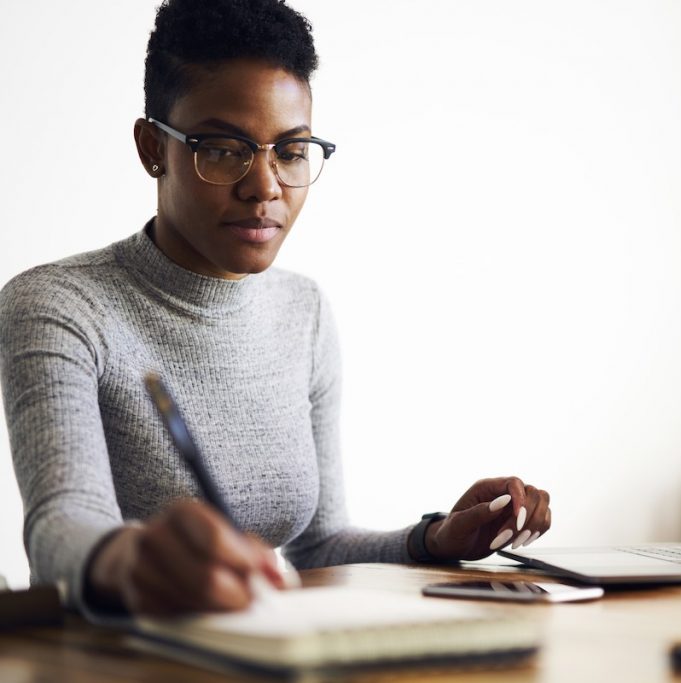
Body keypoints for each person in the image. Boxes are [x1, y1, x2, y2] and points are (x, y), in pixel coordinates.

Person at [0, 0, 550, 617]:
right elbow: (59, 530)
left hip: (265, 654)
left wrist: (435, 538)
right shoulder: (58, 305)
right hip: (120, 658)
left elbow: (318, 545)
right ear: (152, 146)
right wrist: (134, 559)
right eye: (225, 148)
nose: (264, 186)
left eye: (290, 151)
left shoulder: (303, 311)